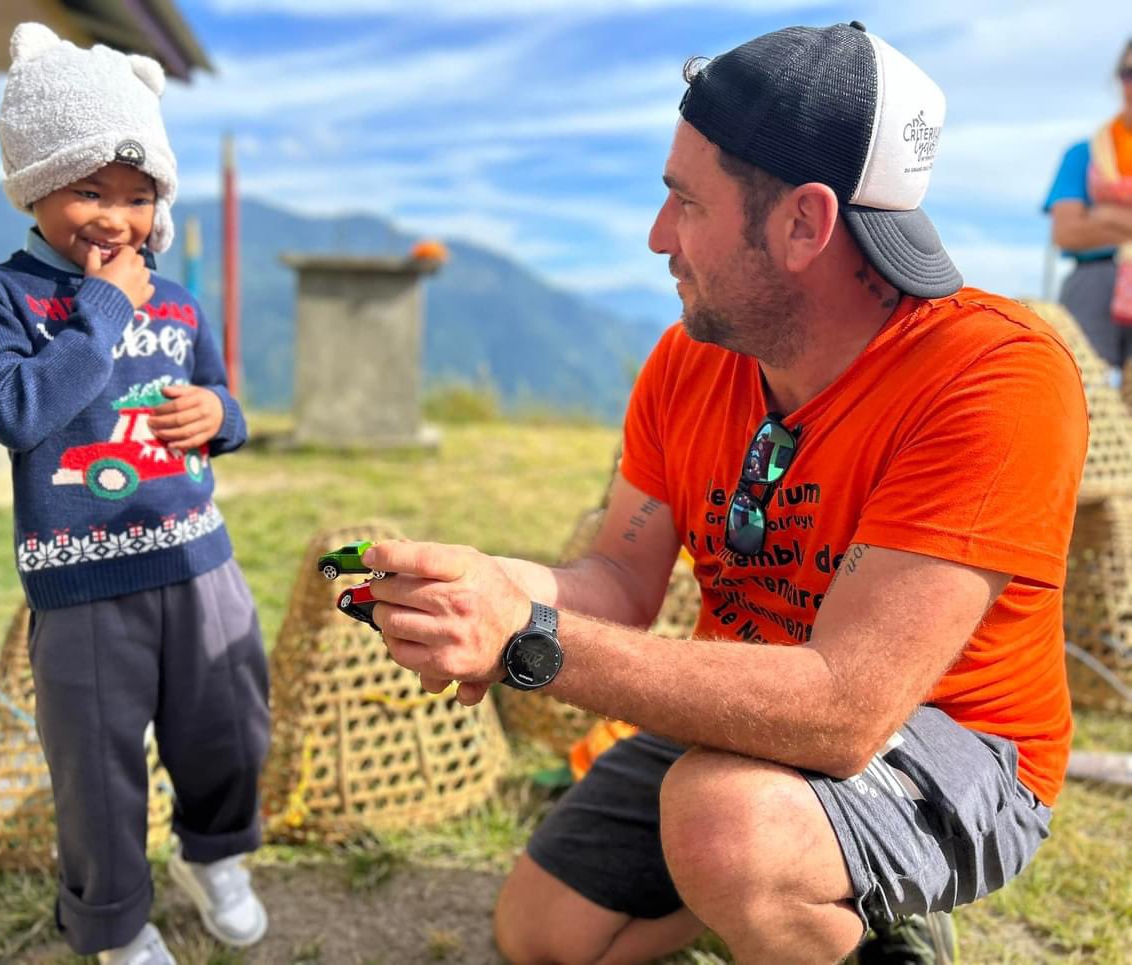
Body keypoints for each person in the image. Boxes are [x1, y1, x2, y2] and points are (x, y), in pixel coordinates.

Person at [363, 22, 1086, 965]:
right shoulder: (688, 359)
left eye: (683, 202)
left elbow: (843, 708)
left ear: (804, 224)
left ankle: (853, 915)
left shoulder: (996, 379)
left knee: (725, 825)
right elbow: (617, 580)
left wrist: (529, 642)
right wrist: (481, 587)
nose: (658, 237)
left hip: (958, 747)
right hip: (741, 711)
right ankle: (803, 899)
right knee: (544, 935)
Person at [0, 24, 270, 964]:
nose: (115, 218)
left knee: (228, 722)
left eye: (138, 198)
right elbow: (18, 409)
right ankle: (114, 923)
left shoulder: (176, 300)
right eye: (88, 188)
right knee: (95, 765)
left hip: (196, 559)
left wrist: (219, 412)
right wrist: (104, 310)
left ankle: (213, 858)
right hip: (81, 580)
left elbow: (230, 408)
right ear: (34, 182)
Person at [1044, 39, 1132, 377]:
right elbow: (1067, 232)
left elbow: (1083, 227)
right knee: (1079, 384)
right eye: (1129, 73)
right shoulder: (1083, 154)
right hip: (1093, 282)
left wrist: (1106, 217)